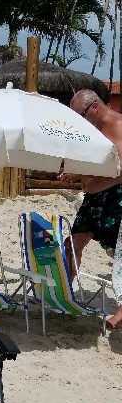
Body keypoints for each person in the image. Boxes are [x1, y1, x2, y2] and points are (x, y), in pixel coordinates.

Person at [63, 90, 122, 328]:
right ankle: (65, 294)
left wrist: (93, 183)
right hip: (95, 198)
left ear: (95, 107)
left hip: (117, 197)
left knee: (117, 253)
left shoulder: (118, 127)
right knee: (72, 244)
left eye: (81, 115)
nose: (79, 121)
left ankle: (120, 312)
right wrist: (77, 174)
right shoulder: (92, 130)